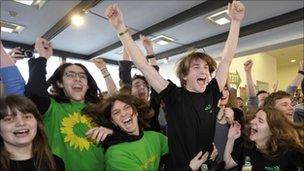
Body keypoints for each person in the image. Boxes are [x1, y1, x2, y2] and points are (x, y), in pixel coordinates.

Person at [104, 1, 245, 169]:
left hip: (207, 165)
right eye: (196, 67)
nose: (204, 71)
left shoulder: (212, 92)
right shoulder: (174, 95)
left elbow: (227, 59)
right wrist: (120, 28)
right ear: (184, 75)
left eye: (206, 68)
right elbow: (143, 65)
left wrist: (235, 22)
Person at [25, 38, 109, 170]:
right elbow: (34, 91)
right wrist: (43, 57)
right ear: (60, 83)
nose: (77, 78)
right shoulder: (52, 107)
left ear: (87, 85)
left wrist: (110, 131)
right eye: (70, 75)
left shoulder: (100, 109)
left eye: (82, 76)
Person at [85, 94, 168, 171]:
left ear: (136, 112)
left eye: (127, 107)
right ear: (113, 121)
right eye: (116, 112)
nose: (123, 113)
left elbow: (178, 147)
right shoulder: (115, 154)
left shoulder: (155, 137)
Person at [224, 107, 304, 170]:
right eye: (255, 117)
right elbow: (227, 164)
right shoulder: (247, 146)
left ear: (272, 131)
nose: (252, 121)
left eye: (260, 121)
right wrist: (231, 138)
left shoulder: (288, 153)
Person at [0, 95, 65, 171]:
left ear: (37, 123)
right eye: (9, 119)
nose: (21, 123)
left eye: (27, 117)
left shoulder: (56, 163)